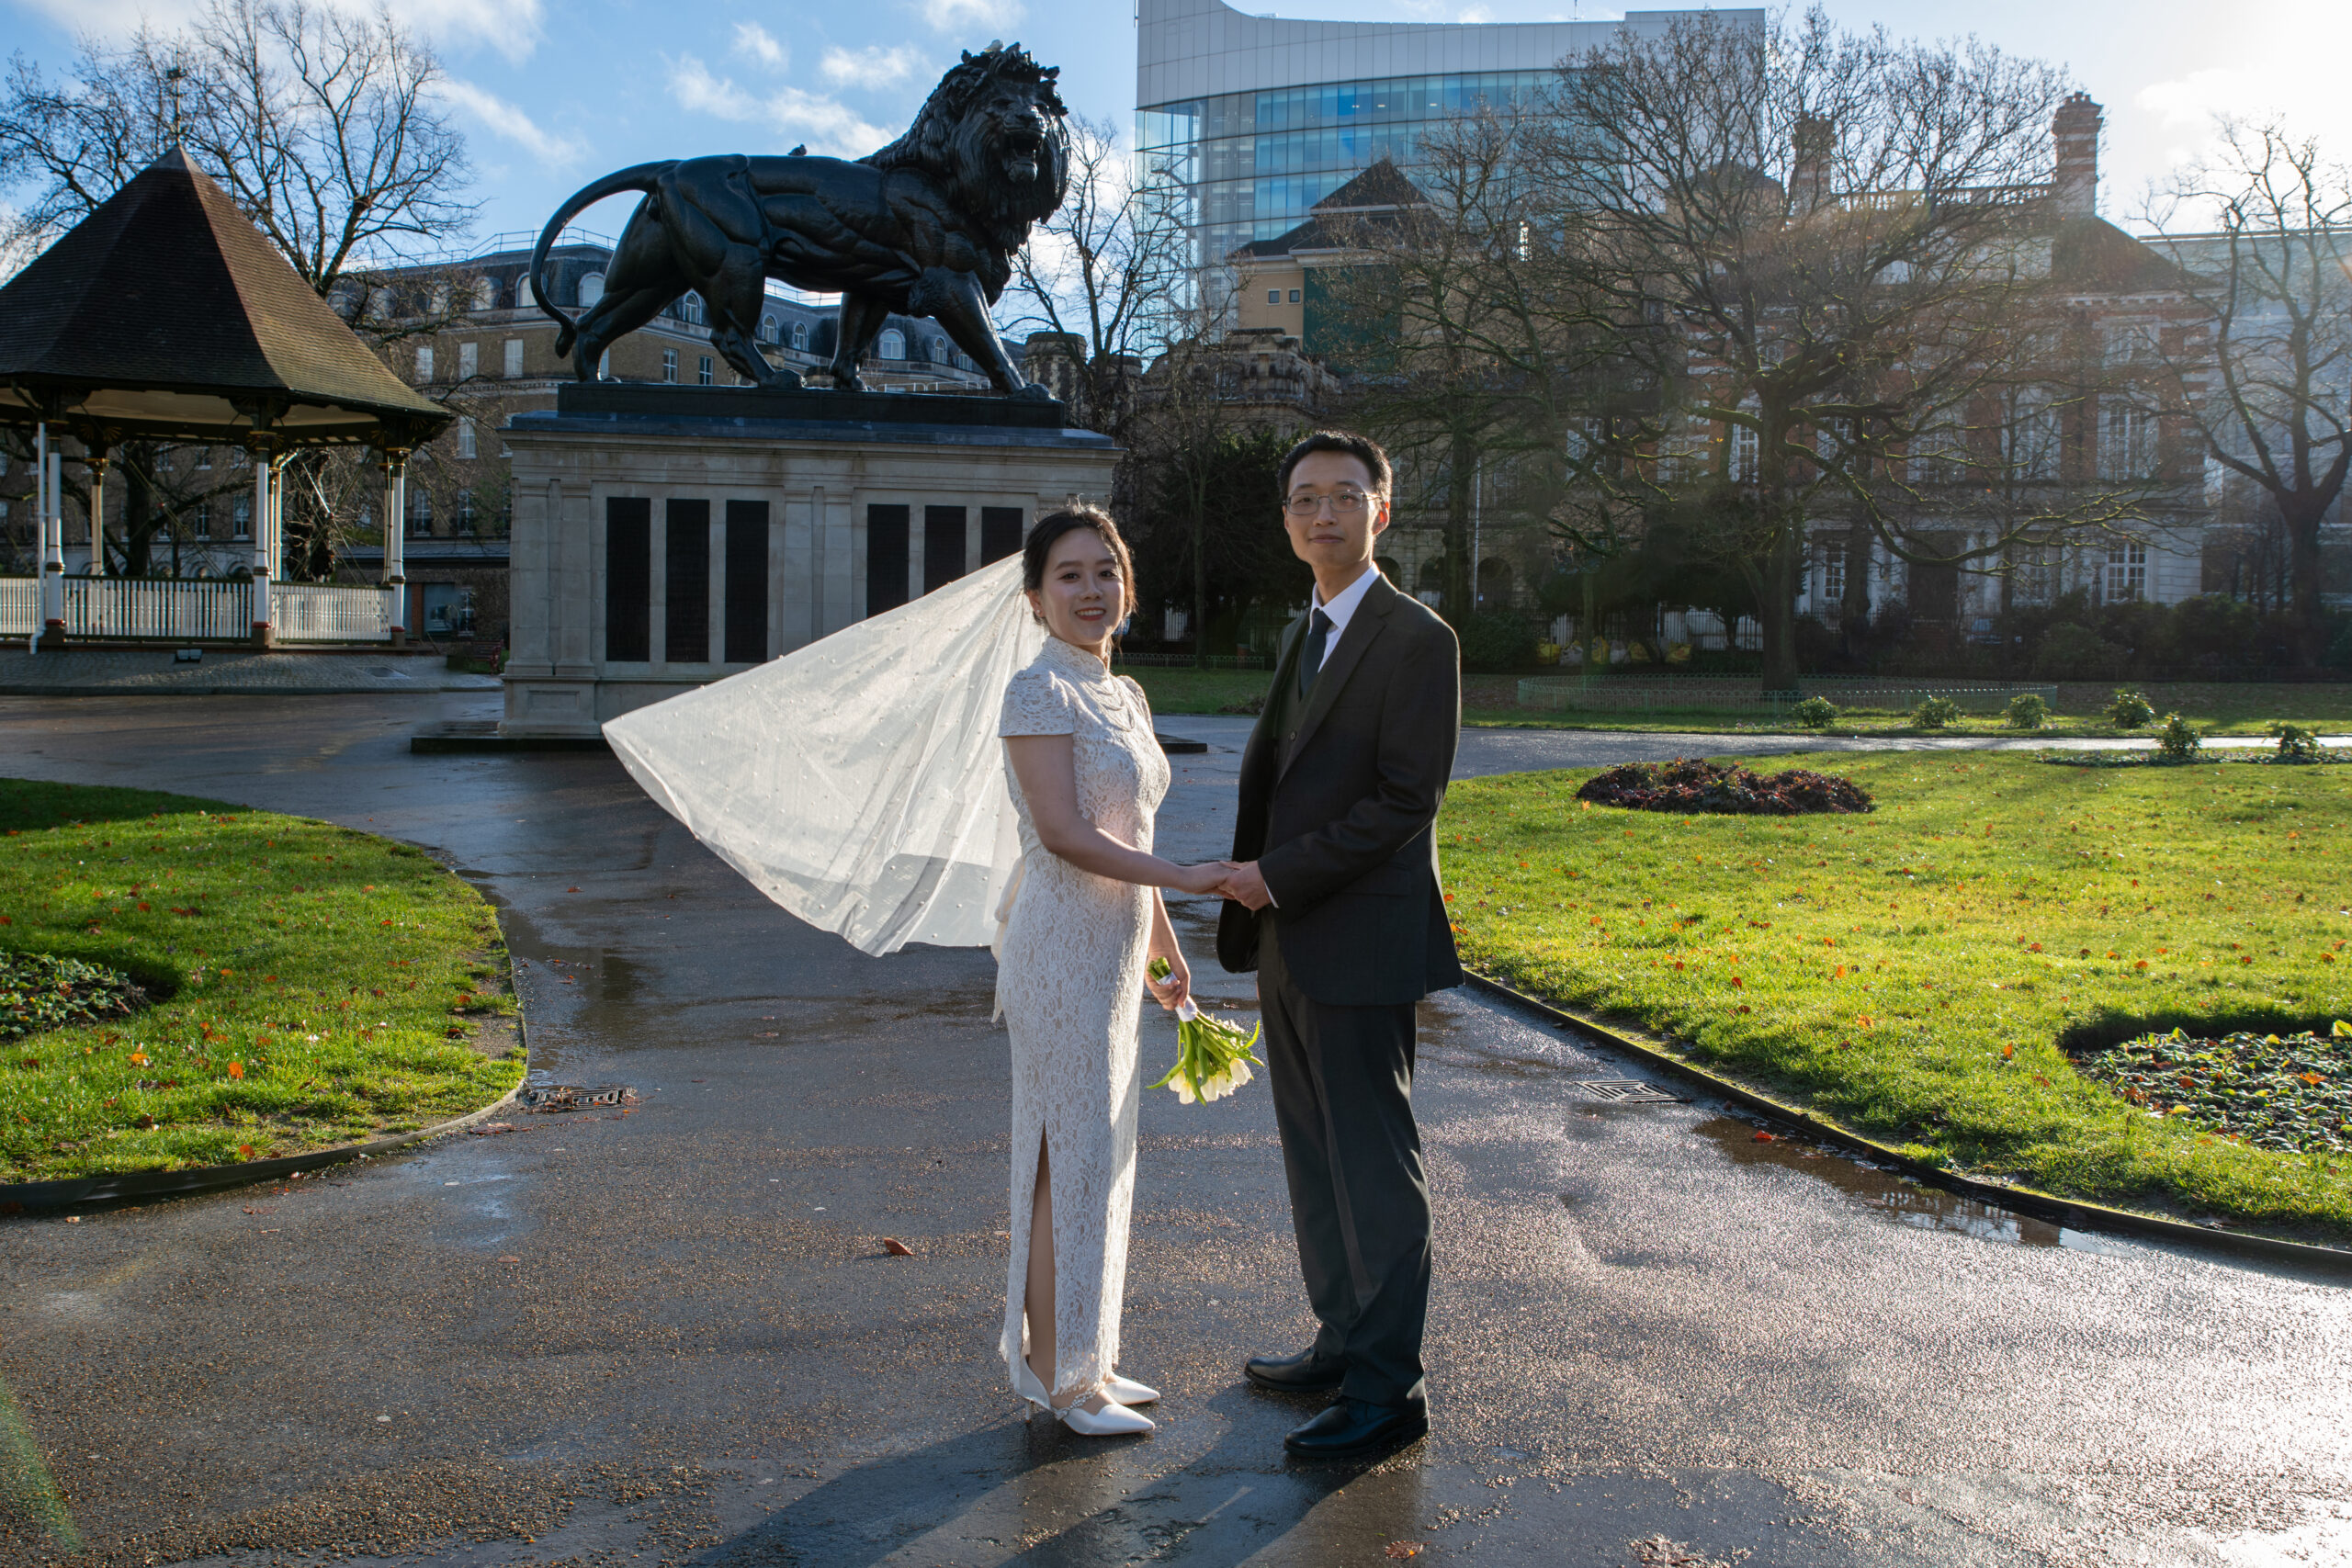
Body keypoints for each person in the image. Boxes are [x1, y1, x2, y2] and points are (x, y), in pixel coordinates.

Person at [1216, 429, 1464, 1459]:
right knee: (1314, 1157)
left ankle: (1387, 1391)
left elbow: (1409, 799)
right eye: (1305, 500)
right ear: (1285, 521)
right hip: (1285, 937)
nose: (1324, 514)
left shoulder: (1416, 638)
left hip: (1359, 937)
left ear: (1383, 512)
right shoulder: (1300, 632)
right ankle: (1341, 1341)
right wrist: (1263, 898)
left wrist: (1278, 875)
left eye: (1345, 497)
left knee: (1372, 1165)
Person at [995, 507, 1235, 1436]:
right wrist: (1183, 877)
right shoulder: (1035, 692)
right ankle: (1059, 1380)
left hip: (1117, 942)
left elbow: (1130, 835)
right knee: (1066, 1158)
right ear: (1034, 596)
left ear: (1125, 588)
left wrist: (1163, 938)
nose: (1091, 590)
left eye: (1105, 572)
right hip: (1059, 947)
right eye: (1069, 576)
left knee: (1106, 1157)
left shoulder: (1122, 694)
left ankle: (1089, 1358)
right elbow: (1063, 835)